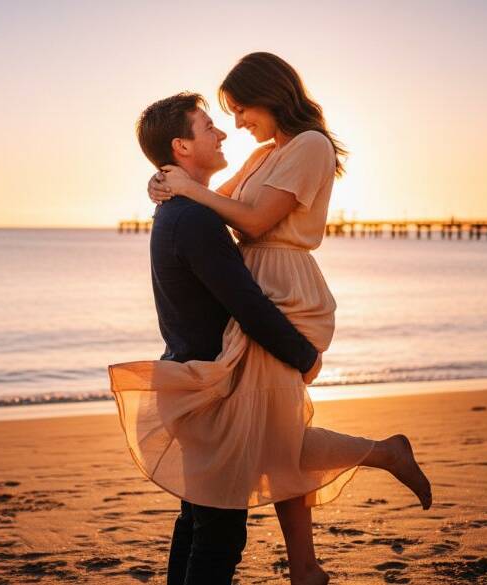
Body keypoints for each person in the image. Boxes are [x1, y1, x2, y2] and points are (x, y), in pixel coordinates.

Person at [112, 53, 432, 585]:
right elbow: (213, 202)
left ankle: (373, 468)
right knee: (274, 434)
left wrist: (186, 188)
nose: (236, 124)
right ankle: (309, 561)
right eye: (225, 116)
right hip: (259, 288)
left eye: (241, 110)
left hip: (285, 291)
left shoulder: (311, 145)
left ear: (270, 95)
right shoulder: (265, 154)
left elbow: (255, 219)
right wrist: (165, 183)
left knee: (269, 435)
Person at [111, 91, 323, 584]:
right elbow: (246, 302)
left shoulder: (183, 210)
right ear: (182, 147)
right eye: (209, 127)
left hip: (191, 379)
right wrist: (303, 355)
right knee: (219, 533)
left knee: (198, 522)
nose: (223, 132)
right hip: (208, 387)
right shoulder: (195, 219)